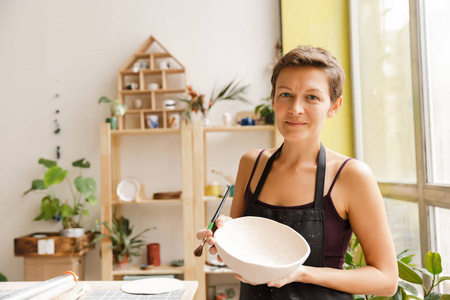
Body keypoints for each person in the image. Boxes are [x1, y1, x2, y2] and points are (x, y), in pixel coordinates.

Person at [196, 45, 398, 299]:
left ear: (334, 106)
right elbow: (240, 250)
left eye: (312, 97)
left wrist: (300, 272)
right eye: (285, 95)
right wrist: (223, 234)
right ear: (273, 100)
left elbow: (386, 279)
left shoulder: (351, 176)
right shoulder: (252, 164)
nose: (295, 108)